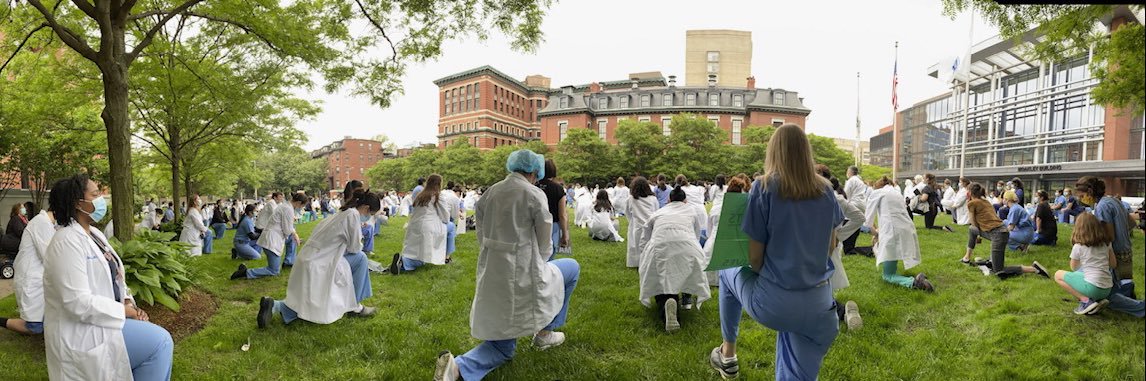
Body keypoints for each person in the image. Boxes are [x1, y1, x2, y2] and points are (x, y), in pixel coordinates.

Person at [707, 125, 842, 380]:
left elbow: (755, 257)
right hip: (821, 307)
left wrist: (773, 274)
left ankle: (727, 354)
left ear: (773, 151)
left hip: (775, 303)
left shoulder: (764, 186)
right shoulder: (826, 190)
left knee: (726, 270)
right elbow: (831, 246)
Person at [433, 150, 580, 381]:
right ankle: (544, 333)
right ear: (534, 171)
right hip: (523, 268)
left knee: (503, 334)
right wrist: (539, 263)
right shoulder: (533, 194)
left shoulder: (490, 192)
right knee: (571, 268)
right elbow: (544, 243)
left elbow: (481, 234)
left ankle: (459, 368)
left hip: (492, 267)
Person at [41, 174, 173, 380]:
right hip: (83, 333)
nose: (102, 199)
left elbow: (116, 276)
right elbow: (77, 302)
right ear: (78, 203)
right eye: (95, 195)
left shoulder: (95, 233)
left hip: (105, 321)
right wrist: (125, 312)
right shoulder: (65, 242)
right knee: (160, 342)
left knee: (157, 344)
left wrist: (128, 300)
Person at [256, 191, 381, 328]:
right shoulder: (353, 215)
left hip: (306, 259)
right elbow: (355, 248)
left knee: (298, 303)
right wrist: (360, 235)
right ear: (367, 209)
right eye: (371, 214)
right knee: (361, 258)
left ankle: (273, 305)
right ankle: (355, 306)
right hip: (319, 262)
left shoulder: (341, 213)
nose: (369, 218)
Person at [639, 185, 710, 332]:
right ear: (685, 201)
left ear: (669, 200)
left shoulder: (658, 212)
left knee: (660, 278)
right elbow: (696, 235)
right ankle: (685, 298)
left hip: (660, 246)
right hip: (687, 246)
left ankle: (667, 303)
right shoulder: (692, 211)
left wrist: (645, 254)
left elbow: (645, 237)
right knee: (687, 271)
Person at [960, 183, 1049, 280]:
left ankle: (1033, 269)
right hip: (1001, 231)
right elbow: (977, 226)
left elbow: (972, 222)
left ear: (970, 192)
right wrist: (978, 234)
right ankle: (967, 258)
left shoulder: (972, 203)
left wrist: (978, 235)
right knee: (972, 230)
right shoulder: (986, 202)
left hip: (998, 235)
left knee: (998, 271)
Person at [865, 175, 934, 292]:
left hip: (892, 232)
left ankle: (915, 283)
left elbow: (867, 221)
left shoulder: (878, 193)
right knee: (892, 255)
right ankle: (916, 278)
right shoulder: (896, 193)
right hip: (906, 229)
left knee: (887, 276)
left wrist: (876, 235)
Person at [1074, 176, 1135, 298]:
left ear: (1090, 192)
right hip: (1126, 249)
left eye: (1082, 196)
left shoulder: (1102, 207)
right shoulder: (1114, 200)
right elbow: (1132, 223)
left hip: (1115, 253)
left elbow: (1109, 236)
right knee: (1124, 282)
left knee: (1114, 292)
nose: (1081, 199)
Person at [2, 205, 56, 335]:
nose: (23, 209)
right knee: (35, 327)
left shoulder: (46, 223)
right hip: (31, 277)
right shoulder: (40, 223)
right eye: (21, 208)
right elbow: (50, 256)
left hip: (39, 276)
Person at [1051, 212, 1116, 315]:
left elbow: (1074, 267)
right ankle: (1097, 301)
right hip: (1107, 288)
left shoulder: (1078, 246)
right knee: (1080, 275)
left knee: (1058, 274)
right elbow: (1113, 264)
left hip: (1093, 288)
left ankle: (1085, 301)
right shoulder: (1106, 243)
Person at [233, 192, 306, 280]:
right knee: (274, 271)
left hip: (270, 238)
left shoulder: (285, 206)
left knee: (292, 239)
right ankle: (245, 272)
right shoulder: (287, 209)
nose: (301, 208)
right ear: (298, 203)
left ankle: (288, 261)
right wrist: (295, 234)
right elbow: (287, 230)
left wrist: (294, 234)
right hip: (271, 241)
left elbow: (288, 229)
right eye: (302, 206)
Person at [391, 174, 449, 274]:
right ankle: (447, 256)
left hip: (413, 224)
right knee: (423, 256)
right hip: (428, 226)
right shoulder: (438, 196)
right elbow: (445, 216)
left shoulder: (420, 195)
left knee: (412, 251)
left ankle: (403, 261)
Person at [537, 160, 570, 259]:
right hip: (552, 225)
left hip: (534, 224)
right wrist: (564, 234)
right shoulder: (558, 188)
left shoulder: (533, 186)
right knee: (549, 255)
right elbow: (562, 215)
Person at [627, 176, 659, 269]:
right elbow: (656, 211)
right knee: (649, 246)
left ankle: (636, 263)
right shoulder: (653, 199)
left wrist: (632, 221)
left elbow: (628, 212)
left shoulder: (631, 199)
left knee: (636, 246)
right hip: (651, 225)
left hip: (637, 226)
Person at [440, 181, 462, 261]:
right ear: (458, 192)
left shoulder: (441, 193)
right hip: (442, 221)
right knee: (452, 226)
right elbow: (454, 215)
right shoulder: (454, 198)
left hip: (431, 220)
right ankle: (447, 256)